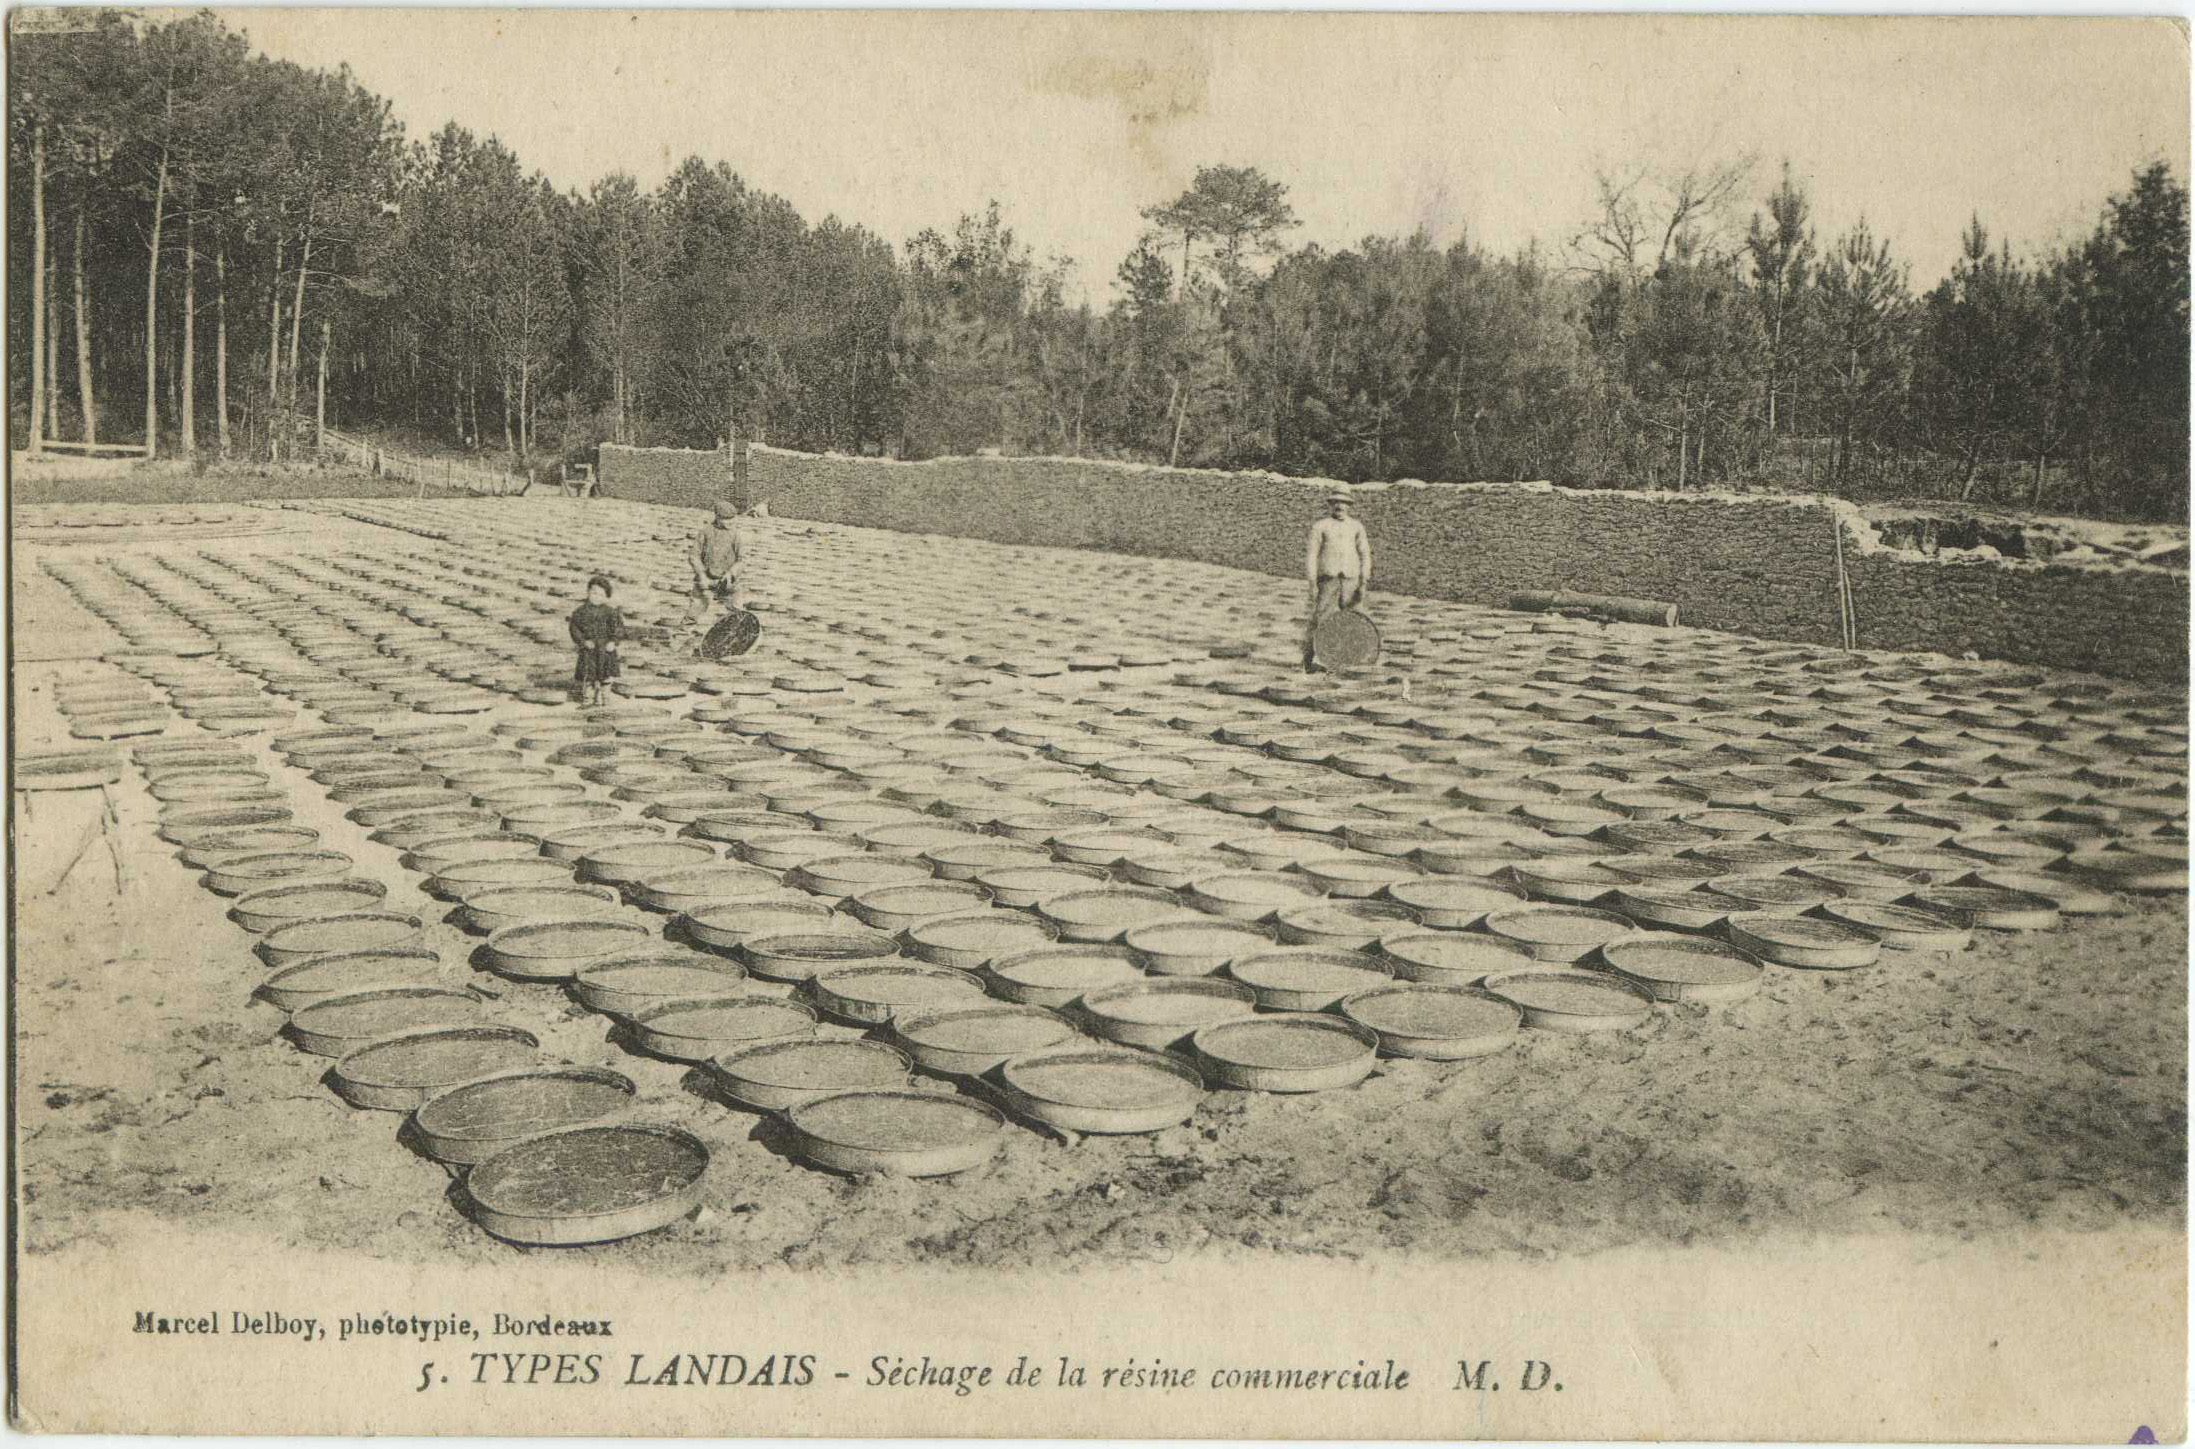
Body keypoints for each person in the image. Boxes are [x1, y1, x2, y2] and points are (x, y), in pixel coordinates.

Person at [1303, 490, 1372, 672]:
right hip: (1328, 579)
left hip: (1351, 580)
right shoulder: (1321, 526)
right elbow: (1312, 555)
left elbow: (1365, 554)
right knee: (1320, 619)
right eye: (1336, 502)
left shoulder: (1357, 527)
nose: (1340, 506)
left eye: (1344, 503)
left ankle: (1351, 661)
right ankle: (1308, 662)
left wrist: (1364, 580)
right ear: (1330, 504)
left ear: (1349, 506)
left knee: (1353, 620)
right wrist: (1312, 583)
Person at [685, 498, 748, 624]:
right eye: (726, 519)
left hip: (728, 581)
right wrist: (701, 575)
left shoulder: (736, 535)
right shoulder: (705, 532)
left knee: (737, 612)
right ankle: (684, 632)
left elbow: (742, 559)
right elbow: (694, 556)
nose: (730, 522)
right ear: (717, 518)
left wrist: (731, 574)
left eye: (732, 519)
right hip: (706, 578)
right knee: (695, 609)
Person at [568, 574, 625, 705]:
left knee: (606, 676)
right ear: (588, 592)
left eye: (600, 594)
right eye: (593, 593)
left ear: (606, 597)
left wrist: (613, 641)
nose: (596, 597)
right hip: (589, 649)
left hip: (605, 649)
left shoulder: (611, 612)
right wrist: (583, 641)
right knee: (588, 676)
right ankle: (588, 699)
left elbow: (618, 628)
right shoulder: (580, 612)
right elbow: (574, 629)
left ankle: (606, 699)